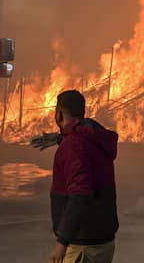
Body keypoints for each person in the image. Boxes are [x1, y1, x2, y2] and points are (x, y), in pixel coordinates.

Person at [49, 90, 119, 263]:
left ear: (59, 113)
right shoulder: (92, 138)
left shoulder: (74, 146)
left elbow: (80, 194)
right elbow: (84, 150)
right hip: (101, 241)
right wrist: (62, 138)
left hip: (82, 244)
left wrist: (61, 242)